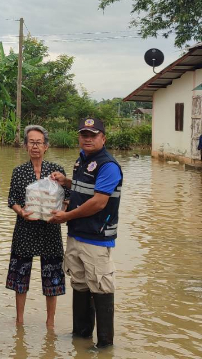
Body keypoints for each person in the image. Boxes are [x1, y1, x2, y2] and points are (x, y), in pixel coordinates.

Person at [49, 117, 123, 350]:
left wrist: (66, 216)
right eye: (84, 135)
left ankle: (104, 346)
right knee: (79, 283)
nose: (88, 139)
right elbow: (85, 189)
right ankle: (81, 337)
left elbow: (99, 202)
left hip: (96, 238)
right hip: (77, 234)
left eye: (93, 135)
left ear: (103, 138)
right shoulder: (82, 160)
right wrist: (66, 182)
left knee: (101, 286)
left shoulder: (108, 165)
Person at [5, 125, 67, 328]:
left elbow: (67, 197)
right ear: (25, 146)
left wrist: (62, 212)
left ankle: (50, 323)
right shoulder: (19, 171)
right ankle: (19, 320)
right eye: (31, 142)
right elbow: (12, 199)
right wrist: (20, 211)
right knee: (20, 276)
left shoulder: (56, 171)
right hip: (25, 228)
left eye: (39, 142)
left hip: (50, 229)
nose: (35, 146)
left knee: (52, 275)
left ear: (46, 146)